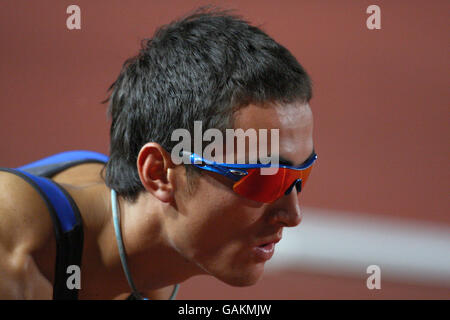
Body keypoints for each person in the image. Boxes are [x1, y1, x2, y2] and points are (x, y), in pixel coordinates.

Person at [0, 9, 317, 300]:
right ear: (159, 173)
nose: (293, 215)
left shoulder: (151, 274)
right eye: (264, 178)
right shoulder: (15, 252)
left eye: (301, 176)